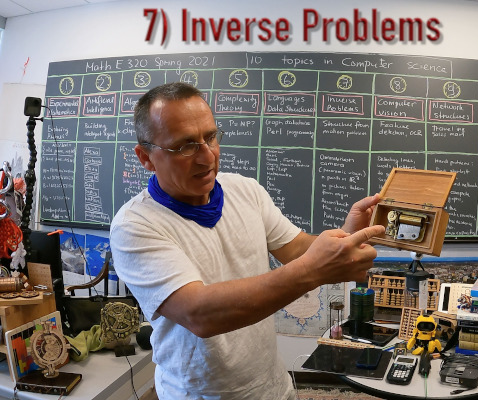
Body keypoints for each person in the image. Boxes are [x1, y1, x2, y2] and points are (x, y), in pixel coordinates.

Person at [109, 82, 386, 399]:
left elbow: (296, 249)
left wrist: (346, 238)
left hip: (272, 385)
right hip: (202, 394)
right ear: (145, 157)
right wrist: (313, 270)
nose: (208, 156)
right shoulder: (135, 226)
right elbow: (199, 314)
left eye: (210, 137)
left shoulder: (244, 189)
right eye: (185, 146)